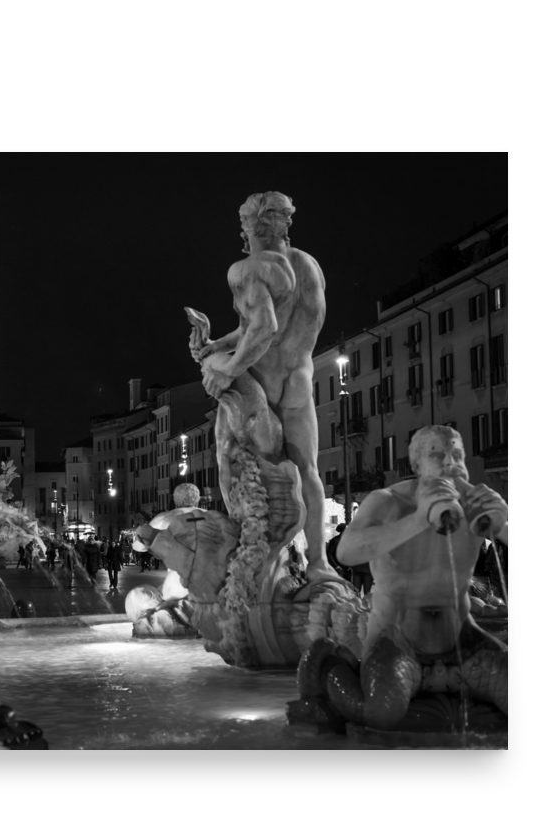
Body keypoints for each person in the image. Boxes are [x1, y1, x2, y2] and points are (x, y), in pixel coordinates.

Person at [191, 191, 339, 585]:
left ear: (247, 227)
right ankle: (319, 563)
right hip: (300, 380)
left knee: (229, 457)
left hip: (265, 382)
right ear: (283, 224)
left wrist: (228, 368)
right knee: (307, 469)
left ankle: (248, 552)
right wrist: (217, 344)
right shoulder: (310, 267)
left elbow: (263, 328)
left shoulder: (247, 269)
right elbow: (255, 325)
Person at [335, 425, 509, 726]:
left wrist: (503, 521)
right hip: (397, 640)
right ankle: (331, 672)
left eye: (457, 455)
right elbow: (346, 552)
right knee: (383, 711)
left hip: (462, 640)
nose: (450, 464)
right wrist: (417, 519)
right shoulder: (387, 501)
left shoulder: (474, 506)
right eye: (437, 455)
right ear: (416, 465)